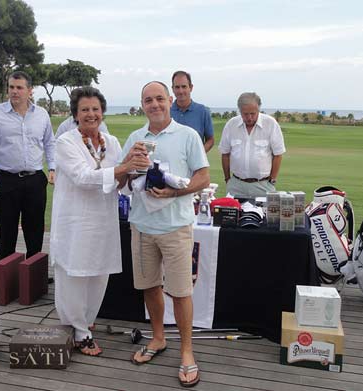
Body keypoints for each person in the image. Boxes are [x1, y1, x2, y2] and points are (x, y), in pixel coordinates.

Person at [121, 81, 210, 387]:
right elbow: (121, 180)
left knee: (181, 291)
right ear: (142, 105)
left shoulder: (188, 135)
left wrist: (173, 192)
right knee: (149, 287)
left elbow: (203, 177)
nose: (155, 104)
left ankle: (187, 352)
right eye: (148, 100)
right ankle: (158, 338)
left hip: (176, 227)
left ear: (170, 100)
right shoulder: (135, 138)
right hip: (142, 227)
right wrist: (130, 169)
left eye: (160, 98)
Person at [50, 86, 149, 356]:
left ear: (102, 112)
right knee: (75, 273)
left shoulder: (111, 142)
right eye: (85, 110)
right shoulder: (66, 142)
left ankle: (87, 321)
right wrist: (123, 167)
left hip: (103, 220)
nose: (91, 114)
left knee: (98, 272)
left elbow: (118, 182)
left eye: (95, 109)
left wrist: (134, 166)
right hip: (75, 220)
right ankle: (79, 331)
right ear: (76, 114)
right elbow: (82, 177)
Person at [0, 71, 56, 260]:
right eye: (11, 87)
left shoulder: (42, 114)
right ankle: (7, 280)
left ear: (30, 90)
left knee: (35, 230)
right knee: (7, 230)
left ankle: (34, 277)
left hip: (35, 180)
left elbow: (49, 143)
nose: (14, 91)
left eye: (19, 87)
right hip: (5, 180)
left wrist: (52, 168)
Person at [219, 92, 285, 198]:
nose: (249, 117)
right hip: (236, 185)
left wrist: (272, 180)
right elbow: (225, 153)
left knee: (265, 214)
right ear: (239, 111)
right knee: (233, 214)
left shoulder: (270, 124)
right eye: (245, 114)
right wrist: (227, 179)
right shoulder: (231, 125)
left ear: (258, 109)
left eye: (253, 113)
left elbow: (278, 154)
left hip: (263, 185)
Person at [170, 71, 215, 152]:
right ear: (172, 89)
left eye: (184, 86)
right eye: (177, 87)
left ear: (190, 87)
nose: (180, 91)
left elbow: (210, 140)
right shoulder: (167, 111)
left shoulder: (203, 111)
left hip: (195, 164)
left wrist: (199, 155)